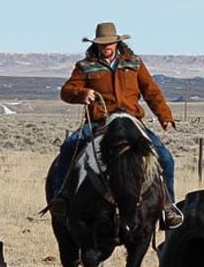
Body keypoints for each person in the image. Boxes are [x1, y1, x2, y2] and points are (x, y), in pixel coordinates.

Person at [50, 22, 183, 229]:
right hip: (100, 121)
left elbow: (151, 91)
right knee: (69, 146)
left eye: (110, 43)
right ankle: (62, 196)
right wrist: (83, 93)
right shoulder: (85, 66)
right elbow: (66, 91)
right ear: (96, 45)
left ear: (117, 42)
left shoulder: (134, 63)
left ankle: (167, 206)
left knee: (165, 158)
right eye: (102, 44)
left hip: (131, 121)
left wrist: (164, 116)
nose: (106, 47)